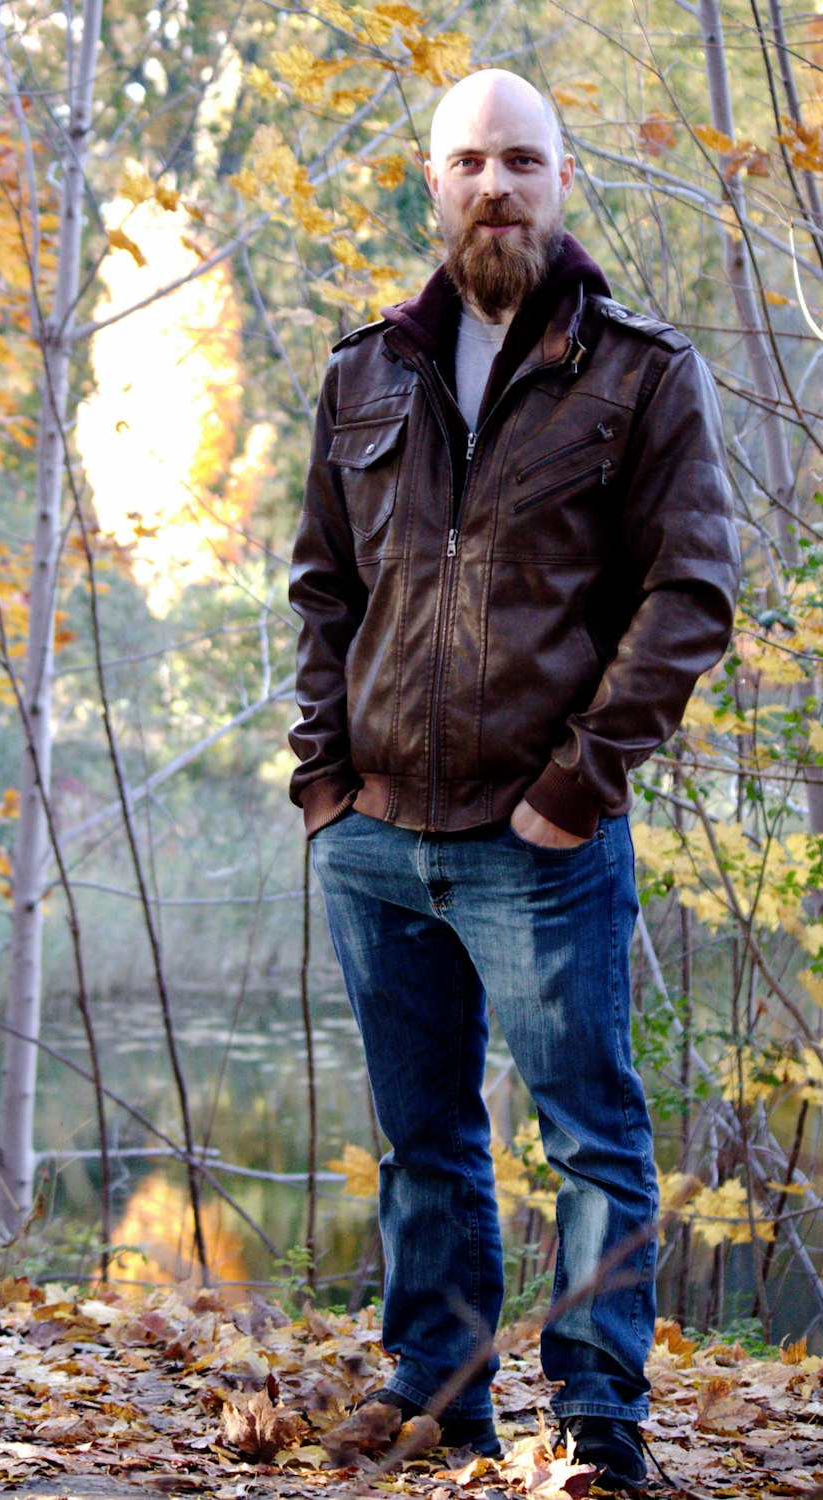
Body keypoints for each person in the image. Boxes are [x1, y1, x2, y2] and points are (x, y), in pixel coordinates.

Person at [288, 67, 739, 1493]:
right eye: (471, 160)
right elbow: (319, 590)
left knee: (591, 1138)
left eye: (523, 160)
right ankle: (441, 1397)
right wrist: (321, 780)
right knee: (424, 1142)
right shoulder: (364, 372)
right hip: (376, 838)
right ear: (434, 182)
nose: (496, 184)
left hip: (539, 839)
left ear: (562, 179)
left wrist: (578, 788)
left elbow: (692, 594)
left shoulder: (640, 372)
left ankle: (599, 1422)